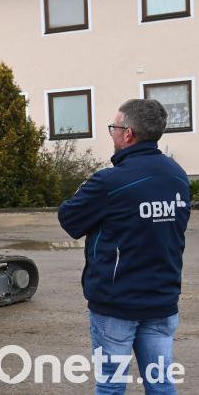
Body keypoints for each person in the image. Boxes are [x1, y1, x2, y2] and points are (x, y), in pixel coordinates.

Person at [58, 99, 190, 394]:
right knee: (161, 383)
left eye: (113, 128)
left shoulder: (110, 182)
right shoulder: (179, 177)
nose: (113, 133)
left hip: (116, 306)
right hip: (162, 301)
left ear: (128, 133)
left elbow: (69, 218)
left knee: (111, 385)